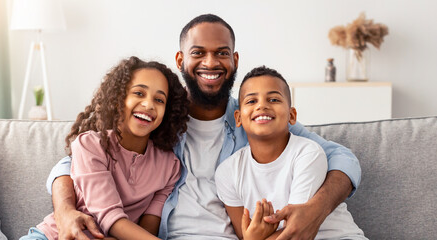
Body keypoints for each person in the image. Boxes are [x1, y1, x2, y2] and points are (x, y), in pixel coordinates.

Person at [47, 14, 361, 240]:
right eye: (198, 53)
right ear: (181, 59)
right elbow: (76, 162)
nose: (210, 63)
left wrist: (314, 210)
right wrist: (64, 211)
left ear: (235, 60)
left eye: (221, 53)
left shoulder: (254, 118)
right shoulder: (159, 117)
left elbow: (343, 159)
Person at [20, 56, 189, 240]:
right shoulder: (91, 145)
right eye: (139, 93)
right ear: (118, 99)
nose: (149, 104)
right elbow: (110, 218)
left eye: (159, 100)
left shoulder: (170, 166)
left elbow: (148, 230)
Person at [215, 66, 366, 240]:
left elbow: (296, 231)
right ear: (238, 118)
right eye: (251, 101)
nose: (262, 105)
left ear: (292, 115)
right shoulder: (227, 172)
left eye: (273, 99)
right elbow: (244, 233)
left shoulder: (309, 153)